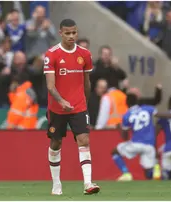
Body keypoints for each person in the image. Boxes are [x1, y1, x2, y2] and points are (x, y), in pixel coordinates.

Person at [43, 19, 99, 195]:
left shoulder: (85, 54)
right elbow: (50, 86)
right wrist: (61, 101)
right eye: (67, 33)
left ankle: (88, 183)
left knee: (84, 140)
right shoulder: (51, 55)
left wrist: (84, 104)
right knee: (56, 142)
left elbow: (87, 83)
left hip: (79, 107)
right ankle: (56, 184)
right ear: (60, 33)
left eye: (74, 32)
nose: (71, 36)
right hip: (57, 108)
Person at [111, 94, 171, 181]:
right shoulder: (148, 108)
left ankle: (126, 173)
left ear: (127, 103)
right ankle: (158, 170)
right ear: (137, 101)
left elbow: (125, 137)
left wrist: (118, 127)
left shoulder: (126, 115)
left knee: (114, 152)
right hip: (149, 145)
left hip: (135, 143)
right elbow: (164, 115)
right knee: (148, 173)